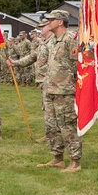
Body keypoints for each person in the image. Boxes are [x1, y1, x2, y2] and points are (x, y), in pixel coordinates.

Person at [33, 10, 82, 172]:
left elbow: (80, 65)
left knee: (67, 126)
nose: (48, 23)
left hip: (65, 91)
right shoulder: (52, 40)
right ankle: (57, 158)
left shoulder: (71, 39)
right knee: (51, 126)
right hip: (49, 89)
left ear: (60, 22)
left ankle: (75, 161)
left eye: (51, 20)